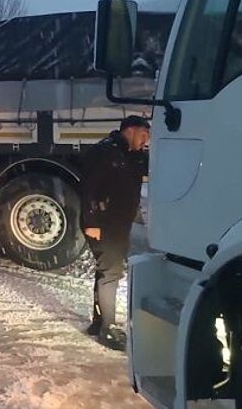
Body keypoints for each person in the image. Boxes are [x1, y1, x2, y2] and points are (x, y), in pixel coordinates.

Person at [80, 115, 150, 350]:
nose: (145, 140)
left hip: (119, 224)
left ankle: (99, 322)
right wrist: (91, 223)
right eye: (143, 134)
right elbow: (89, 188)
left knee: (106, 271)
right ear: (130, 130)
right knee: (111, 273)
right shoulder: (104, 153)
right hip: (103, 223)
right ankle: (107, 330)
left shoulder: (133, 155)